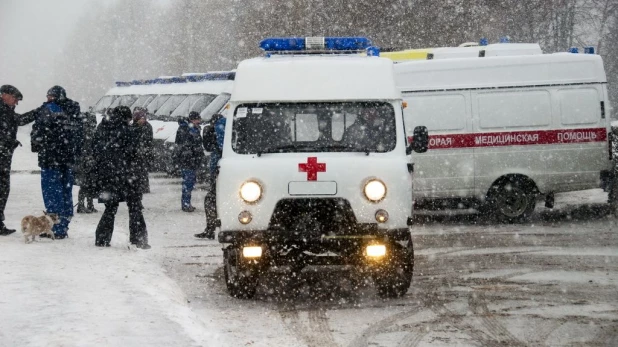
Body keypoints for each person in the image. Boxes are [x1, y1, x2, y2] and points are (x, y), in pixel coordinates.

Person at [92, 106, 150, 249]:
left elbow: (95, 150)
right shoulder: (130, 132)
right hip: (128, 175)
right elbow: (136, 154)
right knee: (135, 207)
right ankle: (138, 239)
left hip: (109, 176)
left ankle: (102, 238)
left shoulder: (103, 130)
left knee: (110, 208)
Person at [30, 86, 81, 239]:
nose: (48, 98)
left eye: (50, 96)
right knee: (66, 192)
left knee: (52, 192)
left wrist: (36, 142)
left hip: (50, 158)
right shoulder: (74, 110)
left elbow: (38, 130)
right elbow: (79, 135)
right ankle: (63, 225)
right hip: (68, 160)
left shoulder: (48, 109)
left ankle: (54, 226)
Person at [0, 85, 37, 235]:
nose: (16, 102)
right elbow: (19, 120)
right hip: (2, 155)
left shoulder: (6, 111)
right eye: (15, 99)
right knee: (2, 188)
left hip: (4, 155)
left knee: (3, 189)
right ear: (4, 95)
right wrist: (7, 142)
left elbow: (18, 120)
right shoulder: (3, 111)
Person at [195, 113, 225, 239]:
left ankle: (211, 229)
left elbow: (217, 147)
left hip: (220, 173)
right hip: (228, 173)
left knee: (210, 200)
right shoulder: (227, 125)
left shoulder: (219, 127)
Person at [174, 111, 205, 212]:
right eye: (197, 119)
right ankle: (186, 204)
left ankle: (187, 203)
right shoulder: (185, 129)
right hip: (188, 160)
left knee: (190, 183)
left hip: (191, 160)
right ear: (192, 120)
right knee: (188, 183)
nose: (199, 121)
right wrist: (194, 152)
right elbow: (185, 145)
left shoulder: (192, 128)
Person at [75, 110, 98, 213]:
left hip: (86, 161)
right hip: (85, 161)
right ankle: (83, 205)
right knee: (86, 184)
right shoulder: (87, 132)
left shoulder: (85, 131)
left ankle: (88, 204)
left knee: (88, 184)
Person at [131, 107, 154, 194]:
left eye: (144, 118)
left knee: (143, 171)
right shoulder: (133, 127)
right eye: (141, 118)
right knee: (136, 171)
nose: (143, 120)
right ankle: (137, 186)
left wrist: (146, 150)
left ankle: (144, 187)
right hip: (136, 153)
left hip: (143, 152)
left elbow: (148, 140)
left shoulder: (147, 127)